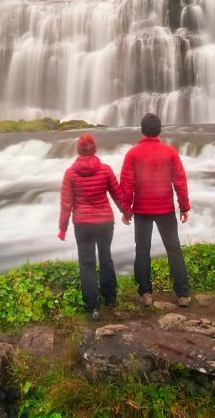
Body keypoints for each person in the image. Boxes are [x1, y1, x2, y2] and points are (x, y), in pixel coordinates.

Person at [58, 133, 131, 320]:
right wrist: (126, 212)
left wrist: (62, 228)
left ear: (78, 150)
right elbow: (118, 194)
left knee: (87, 264)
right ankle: (110, 298)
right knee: (106, 258)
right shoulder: (105, 170)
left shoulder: (70, 174)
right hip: (105, 222)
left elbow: (66, 204)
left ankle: (92, 307)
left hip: (83, 224)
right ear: (95, 149)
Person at [120, 113, 191, 307]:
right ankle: (183, 294)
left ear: (142, 130)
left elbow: (126, 184)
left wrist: (126, 210)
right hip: (165, 209)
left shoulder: (133, 154)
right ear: (159, 130)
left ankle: (146, 294)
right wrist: (184, 206)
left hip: (142, 209)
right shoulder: (170, 152)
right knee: (174, 249)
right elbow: (180, 182)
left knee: (142, 251)